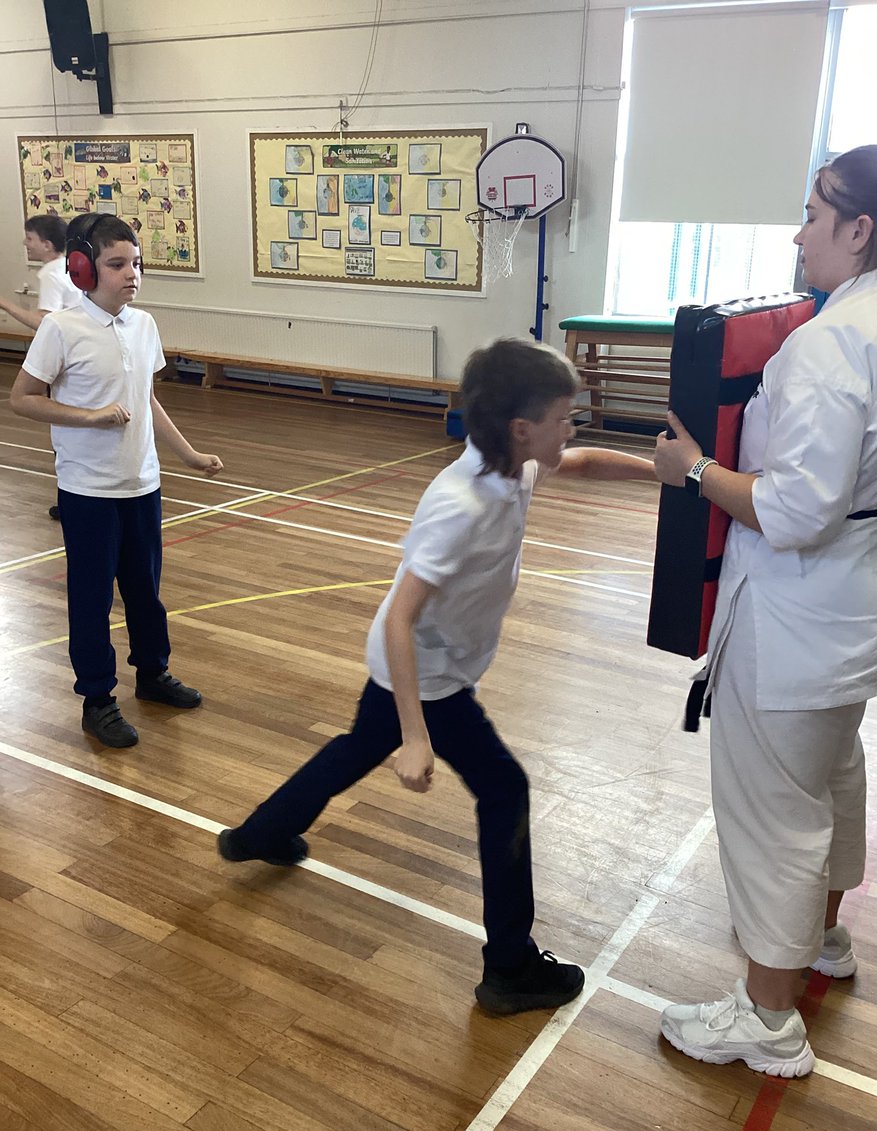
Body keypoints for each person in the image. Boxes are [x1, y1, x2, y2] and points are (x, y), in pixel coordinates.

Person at [219, 337, 658, 1015]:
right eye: (564, 417)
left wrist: (665, 472)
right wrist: (417, 736)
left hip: (430, 663)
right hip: (424, 674)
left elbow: (585, 462)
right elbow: (401, 617)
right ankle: (509, 967)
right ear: (521, 429)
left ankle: (261, 834)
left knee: (358, 745)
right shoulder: (463, 506)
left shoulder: (516, 468)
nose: (572, 428)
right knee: (504, 789)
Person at [653, 144, 877, 1077]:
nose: (799, 236)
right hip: (864, 605)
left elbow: (797, 511)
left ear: (858, 228)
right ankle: (824, 941)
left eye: (811, 214)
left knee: (773, 812)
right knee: (830, 778)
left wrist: (698, 473)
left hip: (798, 614)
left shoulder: (834, 340)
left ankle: (766, 1021)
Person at [10, 213, 224, 749]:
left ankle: (152, 675)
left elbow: (145, 400)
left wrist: (189, 455)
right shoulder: (61, 328)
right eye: (117, 264)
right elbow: (23, 398)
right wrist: (90, 416)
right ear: (84, 268)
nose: (132, 274)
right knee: (91, 598)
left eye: (136, 263)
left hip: (142, 486)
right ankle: (98, 700)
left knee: (145, 593)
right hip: (87, 492)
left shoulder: (143, 325)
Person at [0, 215, 84, 520]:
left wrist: (6, 305)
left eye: (30, 238)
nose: (26, 243)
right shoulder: (71, 267)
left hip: (64, 359)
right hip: (79, 354)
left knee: (63, 428)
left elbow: (45, 321)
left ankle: (70, 499)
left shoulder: (51, 272)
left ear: (47, 244)